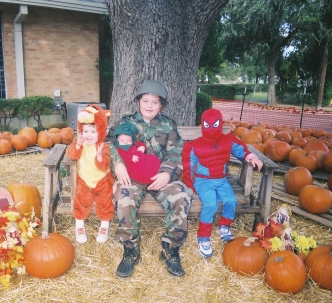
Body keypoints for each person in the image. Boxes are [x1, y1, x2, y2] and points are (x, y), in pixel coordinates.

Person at [107, 80, 193, 278]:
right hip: (133, 176)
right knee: (125, 199)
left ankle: (170, 249)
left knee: (181, 197)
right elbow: (111, 144)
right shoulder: (126, 122)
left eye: (155, 102)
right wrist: (118, 163)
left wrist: (166, 173)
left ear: (161, 105)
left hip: (159, 175)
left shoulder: (168, 125)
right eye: (145, 100)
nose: (149, 105)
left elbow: (175, 153)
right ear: (138, 101)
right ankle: (130, 249)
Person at [182, 108, 263, 258]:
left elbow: (241, 149)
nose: (212, 129)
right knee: (211, 204)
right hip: (203, 181)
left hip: (221, 180)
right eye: (207, 125)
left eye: (215, 125)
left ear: (220, 124)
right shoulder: (195, 145)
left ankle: (224, 225)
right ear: (202, 125)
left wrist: (252, 158)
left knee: (231, 201)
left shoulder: (228, 140)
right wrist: (190, 183)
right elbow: (188, 164)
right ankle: (203, 236)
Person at [66, 104, 114, 244]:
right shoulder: (80, 144)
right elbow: (72, 156)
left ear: (100, 132)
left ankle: (104, 225)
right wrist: (77, 145)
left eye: (93, 132)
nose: (88, 135)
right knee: (81, 200)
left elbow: (105, 165)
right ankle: (79, 225)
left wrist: (99, 157)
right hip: (84, 179)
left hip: (102, 180)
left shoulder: (103, 146)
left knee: (105, 201)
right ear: (81, 131)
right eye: (85, 131)